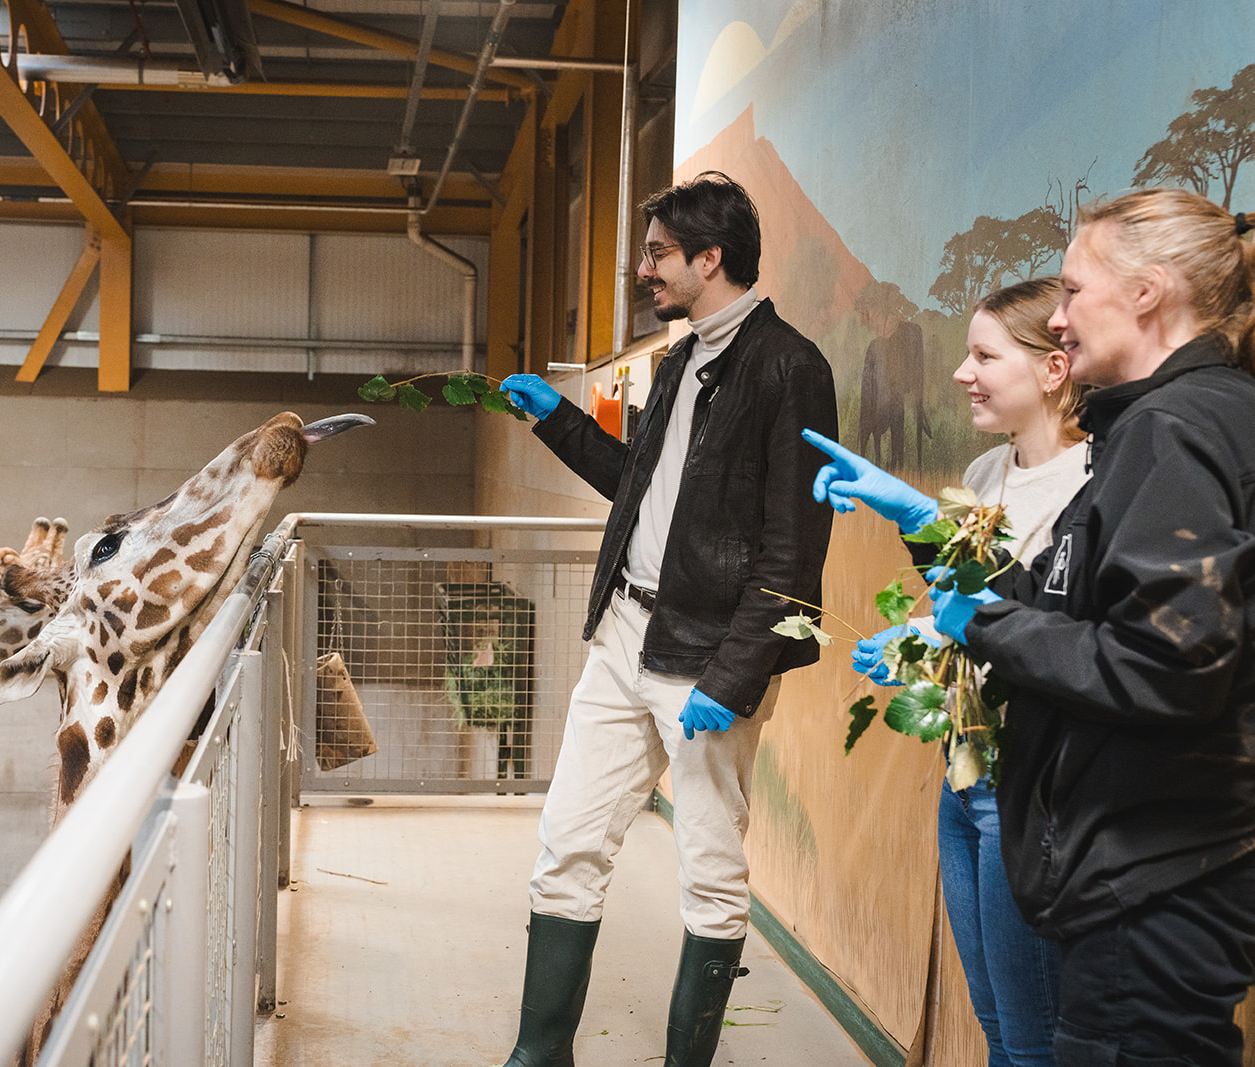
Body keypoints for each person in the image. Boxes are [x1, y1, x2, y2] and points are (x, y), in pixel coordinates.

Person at [807, 189, 1255, 1065]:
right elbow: (1073, 605)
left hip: (1152, 869)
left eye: (1074, 290)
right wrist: (940, 549)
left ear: (1148, 293)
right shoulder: (1169, 424)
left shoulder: (1172, 429)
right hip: (1146, 859)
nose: (1060, 316)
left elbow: (1169, 665)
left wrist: (989, 626)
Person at [493, 171, 837, 1067]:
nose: (642, 270)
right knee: (567, 845)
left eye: (656, 255)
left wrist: (734, 675)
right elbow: (638, 493)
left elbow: (792, 549)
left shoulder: (791, 368)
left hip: (704, 661)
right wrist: (559, 421)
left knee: (709, 876)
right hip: (620, 642)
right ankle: (539, 1053)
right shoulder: (679, 360)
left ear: (709, 259)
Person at [849, 277, 1088, 1067]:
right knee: (995, 1023)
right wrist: (915, 639)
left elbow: (1051, 633)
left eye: (985, 355)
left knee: (1032, 1040)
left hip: (1030, 789)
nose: (962, 373)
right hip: (963, 770)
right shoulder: (986, 473)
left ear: (1053, 369)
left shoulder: (1094, 483)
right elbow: (971, 610)